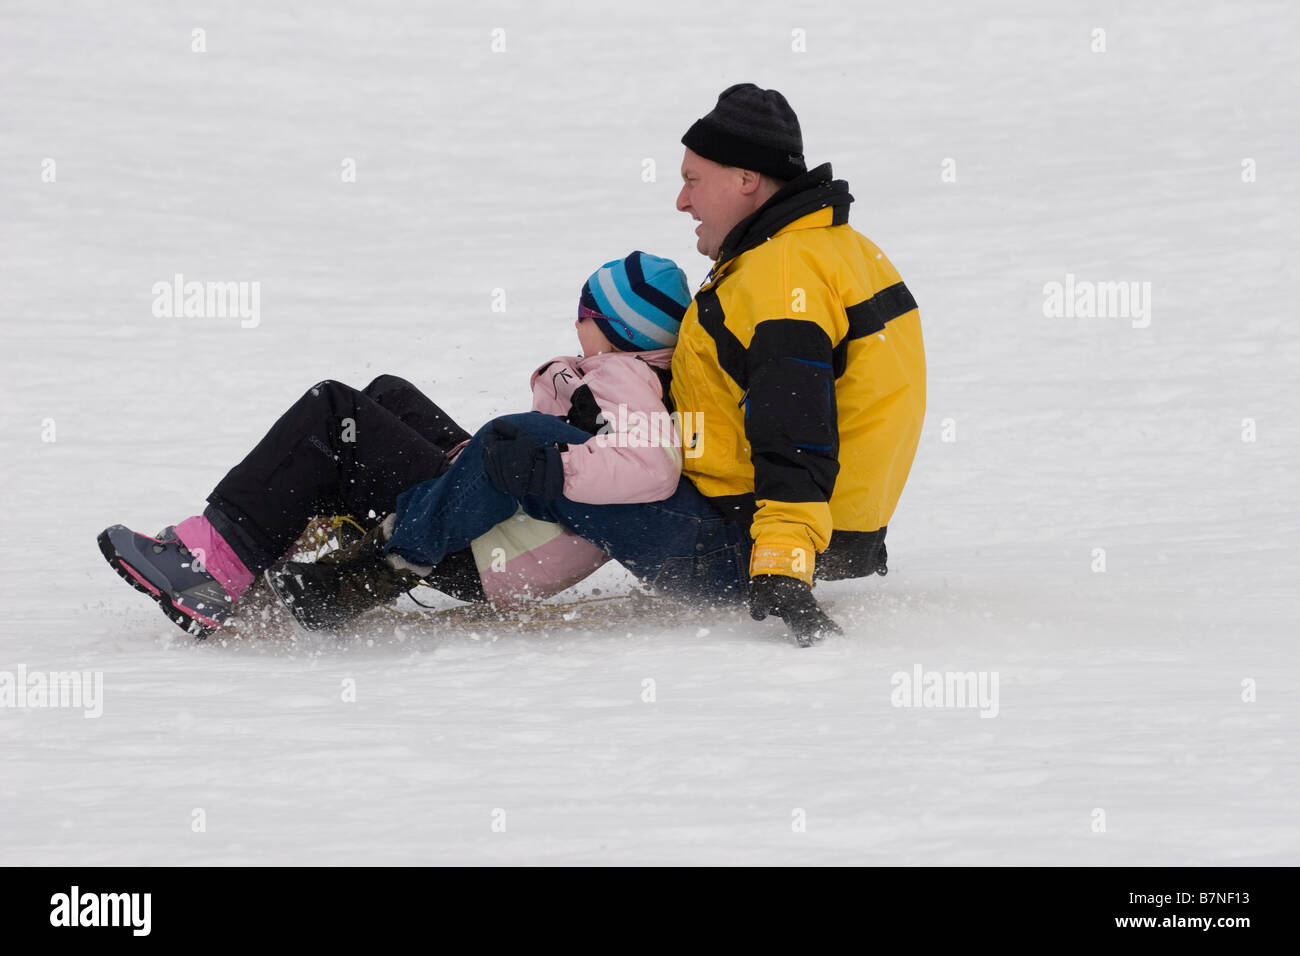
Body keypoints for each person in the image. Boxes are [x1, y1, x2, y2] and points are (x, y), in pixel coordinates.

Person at [373, 83, 926, 646]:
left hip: (745, 545)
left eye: (692, 180)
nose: (682, 201)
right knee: (515, 435)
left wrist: (782, 563)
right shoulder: (842, 252)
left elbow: (796, 431)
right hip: (803, 535)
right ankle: (409, 507)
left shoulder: (780, 279)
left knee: (515, 444)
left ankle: (369, 568)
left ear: (746, 179)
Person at [98, 252, 693, 637]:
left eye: (584, 313)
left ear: (617, 329)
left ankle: (210, 569)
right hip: (489, 518)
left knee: (333, 412)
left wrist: (544, 468)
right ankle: (271, 550)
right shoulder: (618, 376)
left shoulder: (624, 379)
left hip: (475, 548)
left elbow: (651, 468)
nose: (574, 324)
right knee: (388, 394)